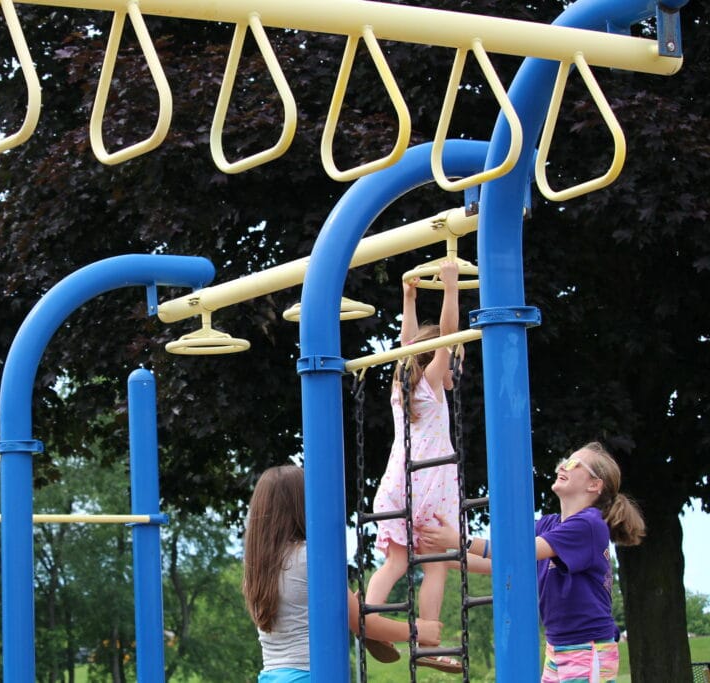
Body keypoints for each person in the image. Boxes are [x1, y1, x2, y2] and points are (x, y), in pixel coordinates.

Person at [418, 442, 646, 682]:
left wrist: (459, 540)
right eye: (564, 459)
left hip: (587, 647)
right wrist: (445, 558)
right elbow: (504, 562)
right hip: (558, 644)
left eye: (573, 463)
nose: (562, 465)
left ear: (594, 484)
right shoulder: (549, 524)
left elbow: (519, 553)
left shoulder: (589, 525)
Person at [242, 464, 442, 682]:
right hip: (310, 676)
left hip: (272, 675)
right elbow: (361, 625)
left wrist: (345, 606)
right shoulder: (311, 556)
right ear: (305, 504)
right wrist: (418, 630)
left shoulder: (258, 566)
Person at [362, 259, 463, 674]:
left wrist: (409, 296)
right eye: (457, 359)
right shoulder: (432, 384)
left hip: (395, 484)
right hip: (430, 485)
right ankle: (432, 641)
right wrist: (451, 288)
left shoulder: (403, 383)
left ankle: (371, 619)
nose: (458, 366)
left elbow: (407, 343)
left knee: (396, 562)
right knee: (437, 566)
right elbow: (449, 334)